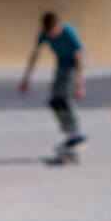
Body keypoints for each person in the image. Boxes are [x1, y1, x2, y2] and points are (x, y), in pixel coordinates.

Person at [19, 10, 86, 155]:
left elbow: (80, 59)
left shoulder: (68, 32)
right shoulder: (44, 33)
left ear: (58, 26)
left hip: (74, 66)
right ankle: (70, 135)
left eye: (53, 32)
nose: (50, 35)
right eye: (48, 33)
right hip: (61, 66)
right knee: (55, 102)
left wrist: (79, 85)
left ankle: (77, 133)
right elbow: (35, 56)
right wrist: (26, 79)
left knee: (64, 99)